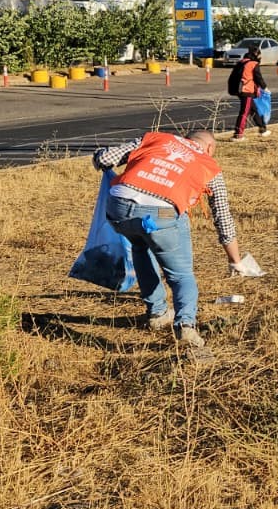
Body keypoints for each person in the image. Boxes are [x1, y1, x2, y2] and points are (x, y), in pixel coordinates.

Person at [93, 129, 247, 349]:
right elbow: (222, 216)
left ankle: (157, 314)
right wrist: (235, 260)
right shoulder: (208, 165)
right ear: (210, 148)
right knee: (181, 273)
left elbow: (104, 158)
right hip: (160, 215)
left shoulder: (157, 139)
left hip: (118, 206)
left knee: (140, 246)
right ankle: (185, 325)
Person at [227, 46, 270, 141]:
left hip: (239, 90)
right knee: (244, 112)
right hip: (247, 91)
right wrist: (265, 88)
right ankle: (238, 134)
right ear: (256, 55)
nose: (260, 57)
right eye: (259, 55)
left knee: (253, 110)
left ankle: (262, 129)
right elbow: (258, 78)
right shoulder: (253, 64)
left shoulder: (242, 62)